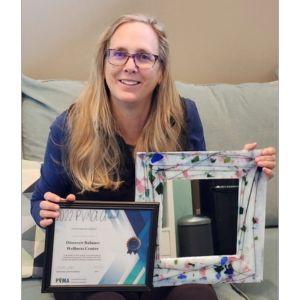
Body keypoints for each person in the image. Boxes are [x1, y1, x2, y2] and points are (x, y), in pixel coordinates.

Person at [30, 13, 276, 300]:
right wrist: (46, 212)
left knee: (196, 296)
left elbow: (201, 198)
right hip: (95, 267)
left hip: (165, 262)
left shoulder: (183, 117)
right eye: (119, 54)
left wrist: (241, 174)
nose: (130, 66)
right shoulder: (69, 126)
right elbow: (39, 202)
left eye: (144, 57)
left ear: (160, 72)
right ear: (103, 63)